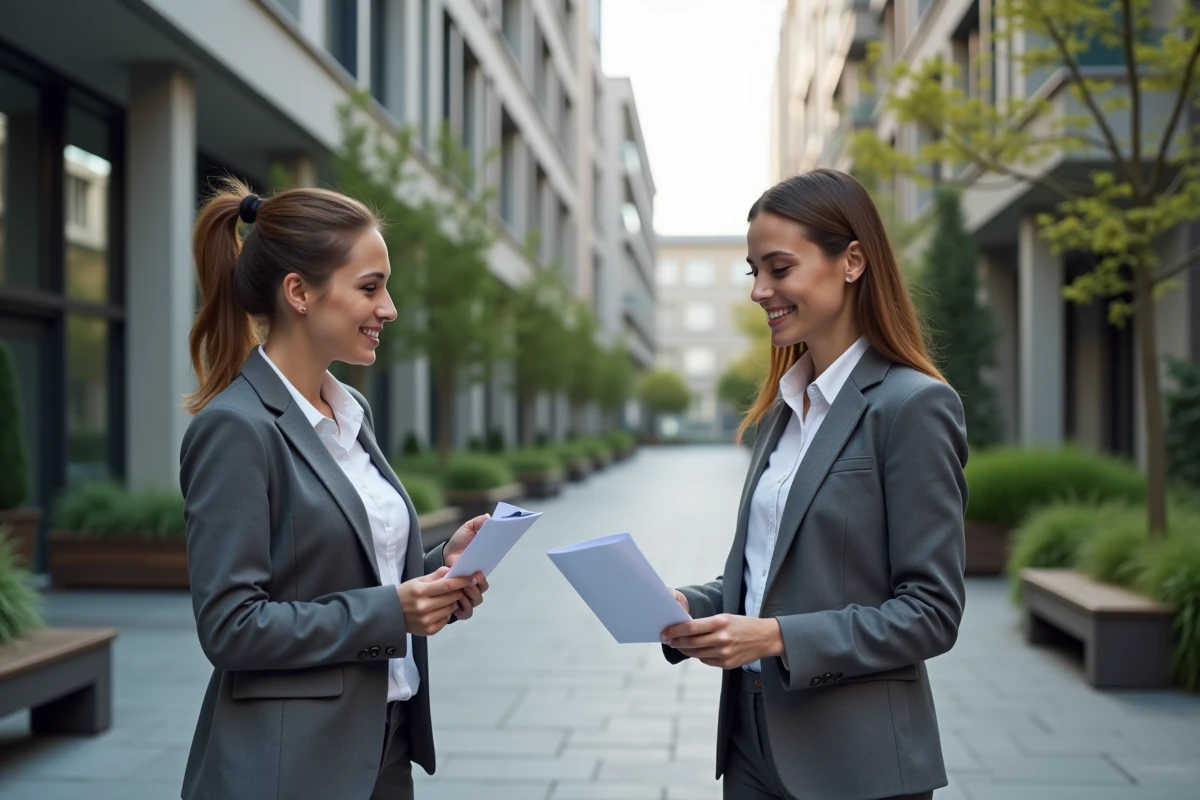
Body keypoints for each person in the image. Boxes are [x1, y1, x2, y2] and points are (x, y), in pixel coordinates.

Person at [660, 169, 968, 800]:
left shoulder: (913, 407)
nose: (760, 291)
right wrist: (690, 604)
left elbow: (930, 614)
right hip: (752, 745)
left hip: (857, 766)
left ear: (852, 261)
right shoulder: (785, 410)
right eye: (754, 271)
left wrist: (774, 636)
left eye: (779, 268)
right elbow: (774, 571)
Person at [179, 179, 489, 800]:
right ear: (299, 293)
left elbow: (340, 573)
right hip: (289, 767)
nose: (390, 308)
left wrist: (436, 573)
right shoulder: (235, 430)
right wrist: (393, 610)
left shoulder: (352, 415)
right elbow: (231, 627)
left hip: (383, 750)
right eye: (370, 287)